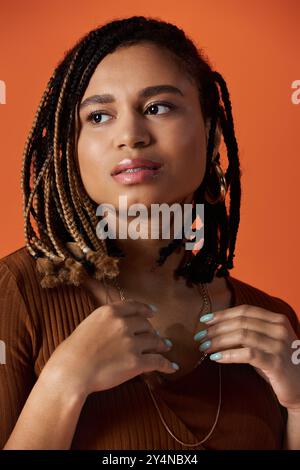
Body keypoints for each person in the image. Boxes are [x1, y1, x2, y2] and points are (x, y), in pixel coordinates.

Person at [0, 16, 299, 451]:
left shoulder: (275, 324)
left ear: (212, 131)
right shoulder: (16, 293)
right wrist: (63, 384)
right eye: (99, 116)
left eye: (158, 107)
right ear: (70, 149)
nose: (130, 135)